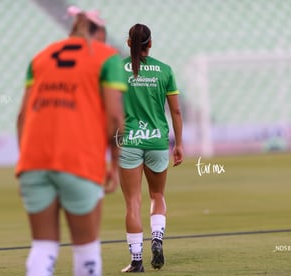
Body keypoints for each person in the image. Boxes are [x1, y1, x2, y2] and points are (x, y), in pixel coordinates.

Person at [15, 9, 126, 276]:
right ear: (99, 34)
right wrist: (115, 162)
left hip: (33, 160)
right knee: (86, 249)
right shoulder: (107, 58)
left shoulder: (40, 58)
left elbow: (22, 116)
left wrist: (25, 162)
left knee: (43, 246)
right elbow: (115, 120)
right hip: (79, 160)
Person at [118, 23, 184, 272]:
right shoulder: (165, 70)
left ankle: (137, 260)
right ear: (150, 43)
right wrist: (179, 143)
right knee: (157, 196)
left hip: (129, 142)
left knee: (133, 203)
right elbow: (176, 110)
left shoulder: (117, 70)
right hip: (157, 140)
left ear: (128, 43)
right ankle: (157, 239)